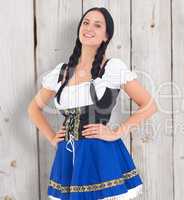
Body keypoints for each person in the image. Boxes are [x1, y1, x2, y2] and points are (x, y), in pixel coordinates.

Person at [27, 7, 157, 200]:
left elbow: (149, 105)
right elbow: (34, 108)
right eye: (86, 22)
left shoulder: (112, 68)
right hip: (68, 156)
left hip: (100, 154)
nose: (89, 28)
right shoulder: (61, 72)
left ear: (106, 36)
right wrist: (53, 137)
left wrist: (116, 132)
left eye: (98, 25)